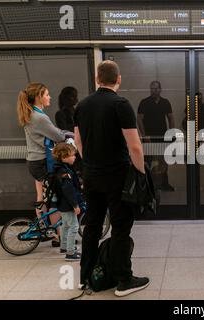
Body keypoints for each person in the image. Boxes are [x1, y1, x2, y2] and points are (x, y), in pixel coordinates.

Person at [74, 60, 150, 297]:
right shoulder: (120, 104)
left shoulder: (82, 106)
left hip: (91, 176)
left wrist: (91, 164)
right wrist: (141, 174)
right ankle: (123, 280)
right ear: (118, 79)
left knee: (92, 226)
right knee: (120, 228)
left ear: (97, 79)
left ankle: (85, 276)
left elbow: (78, 142)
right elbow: (135, 147)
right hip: (117, 177)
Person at [17, 82, 71, 247]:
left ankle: (48, 230)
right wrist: (71, 135)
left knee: (42, 197)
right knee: (53, 199)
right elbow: (57, 136)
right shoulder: (39, 117)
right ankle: (55, 235)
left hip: (34, 161)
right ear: (39, 97)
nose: (50, 97)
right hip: (42, 162)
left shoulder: (31, 114)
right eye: (47, 94)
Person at [137, 80, 175, 191]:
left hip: (163, 136)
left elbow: (171, 118)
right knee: (148, 161)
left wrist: (171, 133)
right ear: (150, 89)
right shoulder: (144, 102)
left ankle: (164, 183)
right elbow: (139, 119)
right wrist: (144, 135)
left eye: (156, 88)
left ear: (160, 89)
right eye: (152, 88)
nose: (154, 90)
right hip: (149, 137)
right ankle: (147, 185)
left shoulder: (165, 102)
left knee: (163, 160)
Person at [52, 142, 82, 261]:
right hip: (68, 204)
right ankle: (70, 253)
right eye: (72, 155)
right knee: (73, 226)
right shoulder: (65, 172)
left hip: (61, 203)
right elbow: (68, 190)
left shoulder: (59, 168)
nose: (74, 157)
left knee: (65, 225)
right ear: (64, 157)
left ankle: (64, 246)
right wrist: (75, 205)